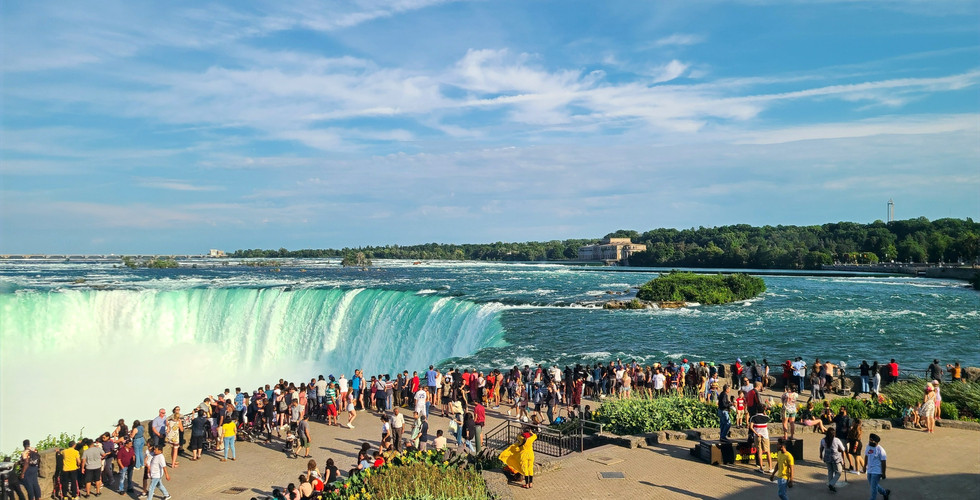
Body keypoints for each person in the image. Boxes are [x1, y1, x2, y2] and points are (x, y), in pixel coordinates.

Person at [819, 428, 846, 493]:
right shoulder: (836, 440)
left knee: (830, 471)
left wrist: (821, 455)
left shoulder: (823, 440)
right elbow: (843, 449)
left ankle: (831, 483)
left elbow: (821, 448)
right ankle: (831, 483)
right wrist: (843, 460)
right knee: (839, 472)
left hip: (827, 457)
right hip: (835, 458)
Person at [865, 433, 890, 500]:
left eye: (871, 441)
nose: (869, 442)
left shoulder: (881, 450)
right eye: (869, 440)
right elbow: (866, 456)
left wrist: (883, 473)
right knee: (873, 485)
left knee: (873, 488)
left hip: (877, 471)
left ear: (876, 442)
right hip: (869, 469)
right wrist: (864, 466)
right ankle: (885, 492)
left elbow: (883, 462)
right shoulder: (868, 446)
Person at [749, 406, 773, 473]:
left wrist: (756, 433)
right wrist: (764, 412)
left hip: (757, 436)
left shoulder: (753, 417)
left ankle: (761, 468)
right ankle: (770, 468)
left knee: (759, 451)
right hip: (765, 436)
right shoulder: (766, 417)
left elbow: (751, 427)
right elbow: (768, 418)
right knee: (768, 451)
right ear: (763, 411)